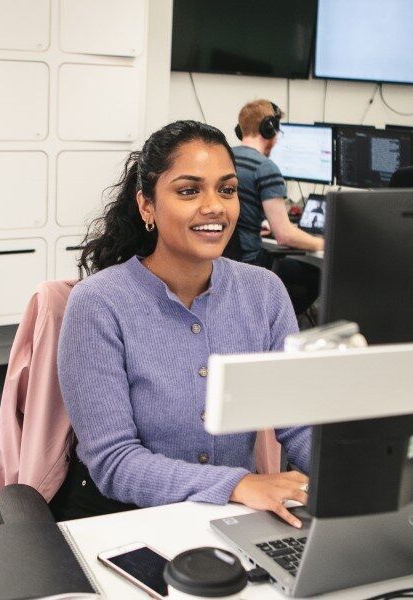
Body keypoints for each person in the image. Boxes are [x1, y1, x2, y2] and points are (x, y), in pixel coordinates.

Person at [57, 120, 311, 528]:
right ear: (147, 206)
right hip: (123, 518)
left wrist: (355, 477)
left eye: (227, 190)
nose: (214, 206)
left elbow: (298, 421)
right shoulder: (99, 304)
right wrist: (237, 484)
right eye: (189, 190)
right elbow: (114, 462)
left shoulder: (264, 292)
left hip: (232, 515)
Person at [231, 99, 322, 315]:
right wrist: (323, 242)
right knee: (314, 277)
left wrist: (254, 224)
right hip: (251, 262)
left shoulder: (227, 157)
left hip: (227, 261)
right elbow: (285, 236)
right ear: (268, 129)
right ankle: (274, 330)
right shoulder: (265, 168)